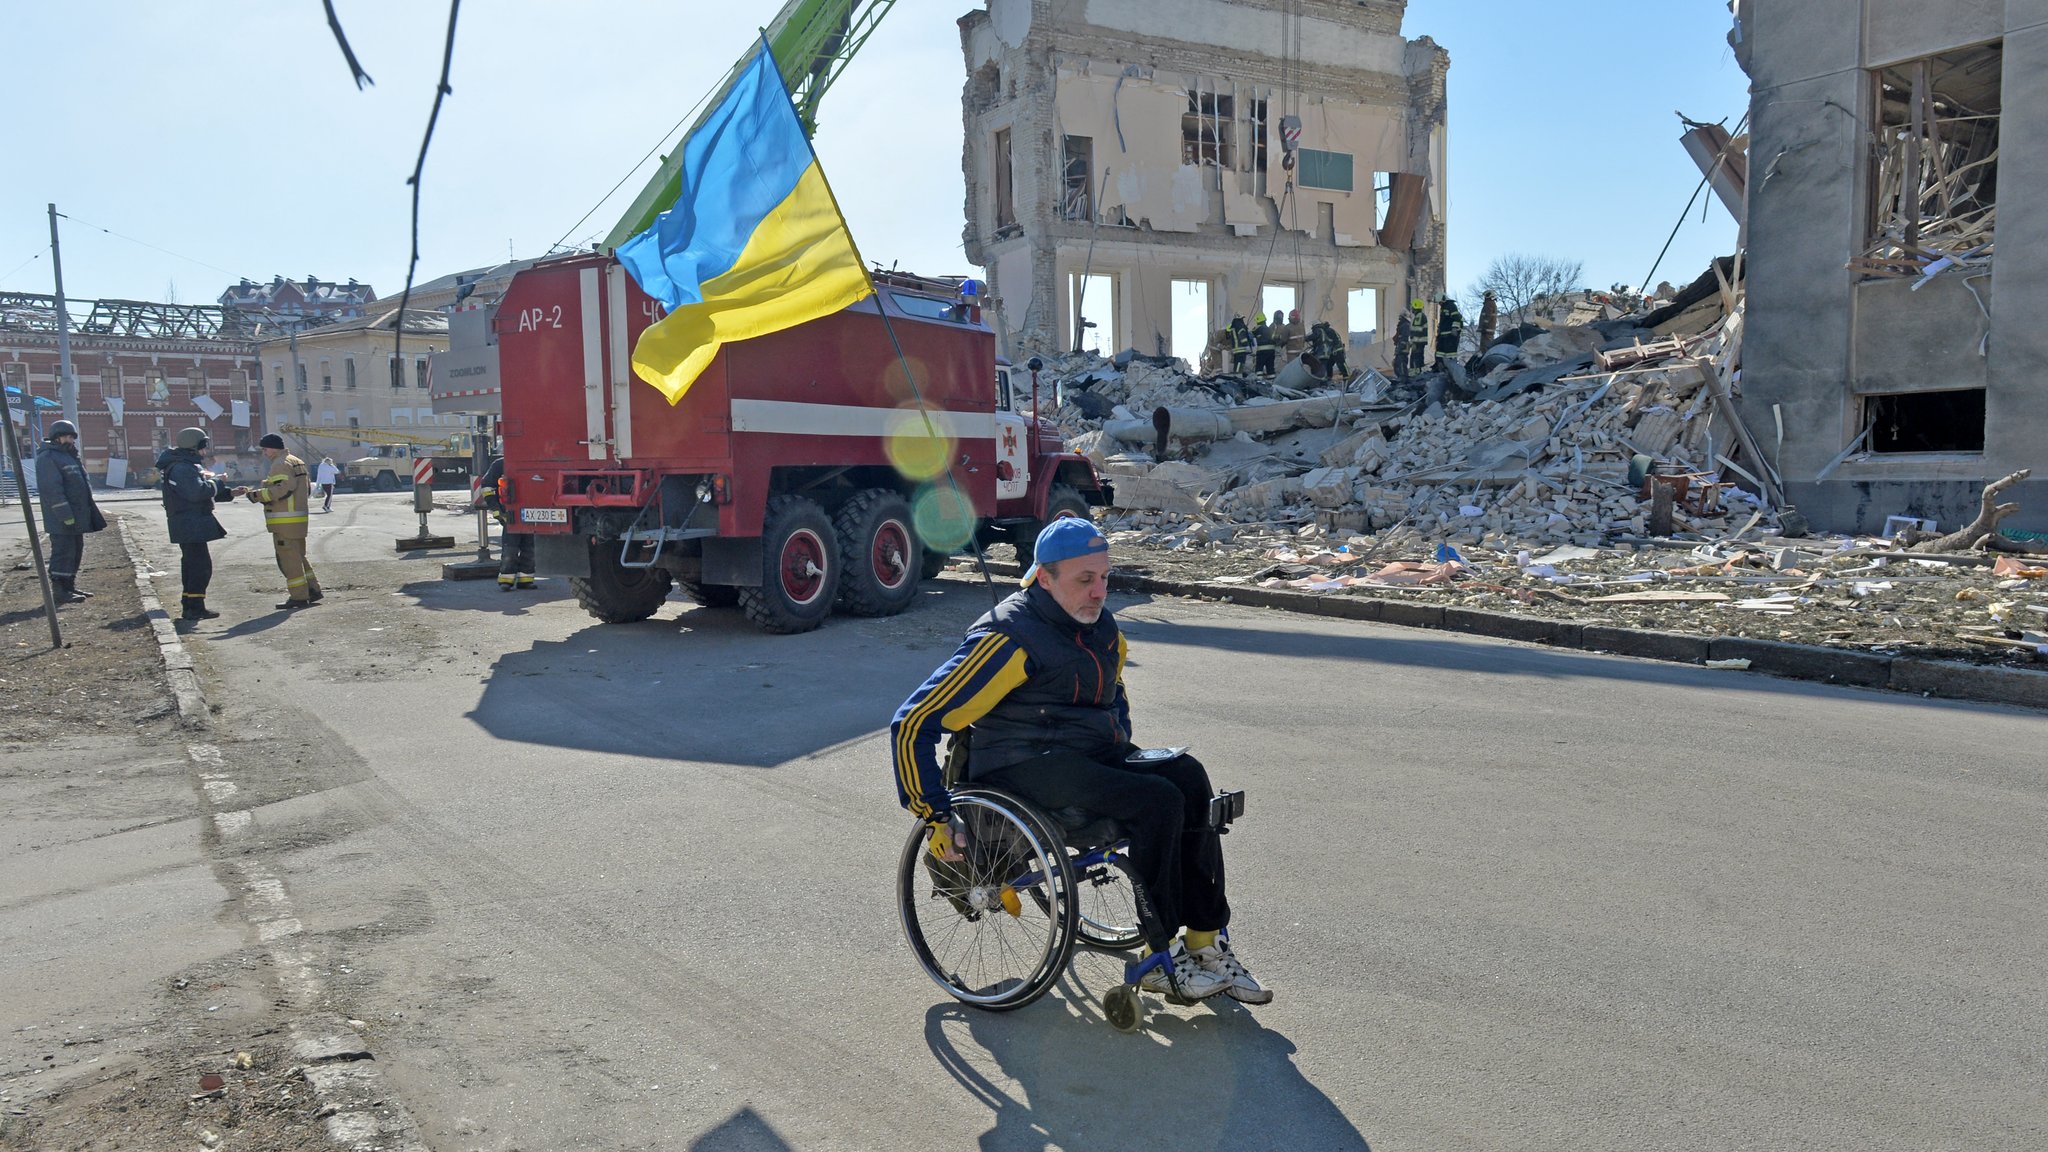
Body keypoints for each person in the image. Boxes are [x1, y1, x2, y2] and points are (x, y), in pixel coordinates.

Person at [890, 516, 1270, 1005]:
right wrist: (933, 812)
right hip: (1021, 765)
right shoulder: (1009, 636)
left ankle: (1205, 943)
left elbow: (1115, 694)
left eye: (1105, 578)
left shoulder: (1100, 627)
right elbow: (913, 721)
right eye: (1085, 580)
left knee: (1188, 777)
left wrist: (1122, 747)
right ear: (1043, 578)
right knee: (1155, 801)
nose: (1099, 592)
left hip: (1084, 756)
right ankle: (1162, 958)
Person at [157, 427, 242, 621]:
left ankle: (191, 604)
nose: (204, 452)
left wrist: (229, 493)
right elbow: (196, 493)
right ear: (194, 447)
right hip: (190, 522)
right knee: (199, 567)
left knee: (193, 564)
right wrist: (218, 482)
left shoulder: (184, 465)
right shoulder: (182, 468)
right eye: (203, 447)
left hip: (188, 521)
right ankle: (194, 608)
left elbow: (199, 492)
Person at [246, 433, 323, 610]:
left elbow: (282, 489)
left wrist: (256, 495)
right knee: (299, 556)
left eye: (265, 449)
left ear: (274, 447)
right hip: (297, 519)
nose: (264, 452)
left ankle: (298, 596)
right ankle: (312, 589)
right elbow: (299, 487)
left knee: (289, 559)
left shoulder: (280, 464)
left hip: (284, 520)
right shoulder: (297, 461)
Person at [33, 419, 106, 603]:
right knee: (63, 553)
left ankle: (69, 587)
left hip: (77, 517)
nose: (70, 440)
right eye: (66, 436)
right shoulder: (48, 457)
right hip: (62, 519)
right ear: (57, 437)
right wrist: (65, 515)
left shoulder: (69, 456)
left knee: (75, 551)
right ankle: (59, 590)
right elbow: (52, 490)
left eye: (72, 437)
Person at [475, 454, 535, 590]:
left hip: (530, 513)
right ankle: (506, 579)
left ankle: (525, 579)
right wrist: (497, 511)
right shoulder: (500, 464)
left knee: (530, 548)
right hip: (510, 514)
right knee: (510, 548)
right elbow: (487, 488)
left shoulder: (532, 462)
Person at [1434, 296, 1465, 368]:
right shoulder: (1443, 307)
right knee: (1439, 352)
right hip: (1443, 335)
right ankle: (1439, 366)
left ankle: (1451, 367)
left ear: (1443, 299)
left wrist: (1454, 328)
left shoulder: (1451, 306)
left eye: (1440, 302)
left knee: (1450, 353)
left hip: (1450, 335)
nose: (1439, 304)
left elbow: (1456, 318)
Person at [1250, 312, 1276, 377]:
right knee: (1270, 367)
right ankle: (1271, 379)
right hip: (1271, 351)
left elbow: (1250, 335)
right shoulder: (1269, 329)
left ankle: (1259, 382)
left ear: (1258, 321)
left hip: (1262, 351)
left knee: (1259, 367)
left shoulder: (1257, 328)